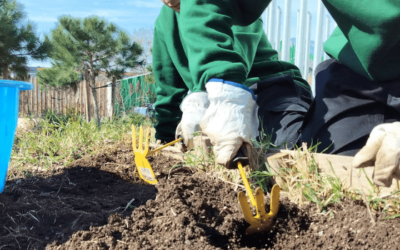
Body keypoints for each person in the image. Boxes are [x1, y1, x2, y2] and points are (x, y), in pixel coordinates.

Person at [153, 0, 400, 187]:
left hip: (270, 88)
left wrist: (221, 90)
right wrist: (165, 142)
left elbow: (243, 42)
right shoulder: (166, 23)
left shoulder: (233, 17)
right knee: (328, 166)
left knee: (293, 156)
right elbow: (167, 89)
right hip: (357, 74)